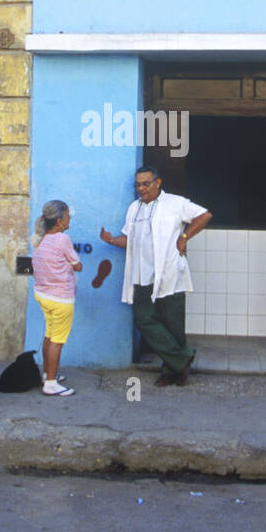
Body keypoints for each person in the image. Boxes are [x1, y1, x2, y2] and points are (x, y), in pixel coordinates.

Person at [100, 165, 212, 386]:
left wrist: (185, 236)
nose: (141, 188)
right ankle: (183, 359)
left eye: (146, 183)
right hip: (142, 274)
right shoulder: (134, 208)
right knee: (143, 319)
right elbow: (128, 239)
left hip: (169, 272)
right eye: (138, 184)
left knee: (173, 324)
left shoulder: (175, 203)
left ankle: (172, 371)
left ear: (158, 183)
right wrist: (112, 240)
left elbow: (204, 215)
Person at [30, 200, 82, 397]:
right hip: (61, 298)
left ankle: (47, 374)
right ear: (60, 221)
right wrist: (72, 266)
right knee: (58, 341)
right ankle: (51, 384)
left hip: (43, 295)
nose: (70, 219)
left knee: (50, 335)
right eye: (68, 215)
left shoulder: (39, 239)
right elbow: (77, 265)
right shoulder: (62, 239)